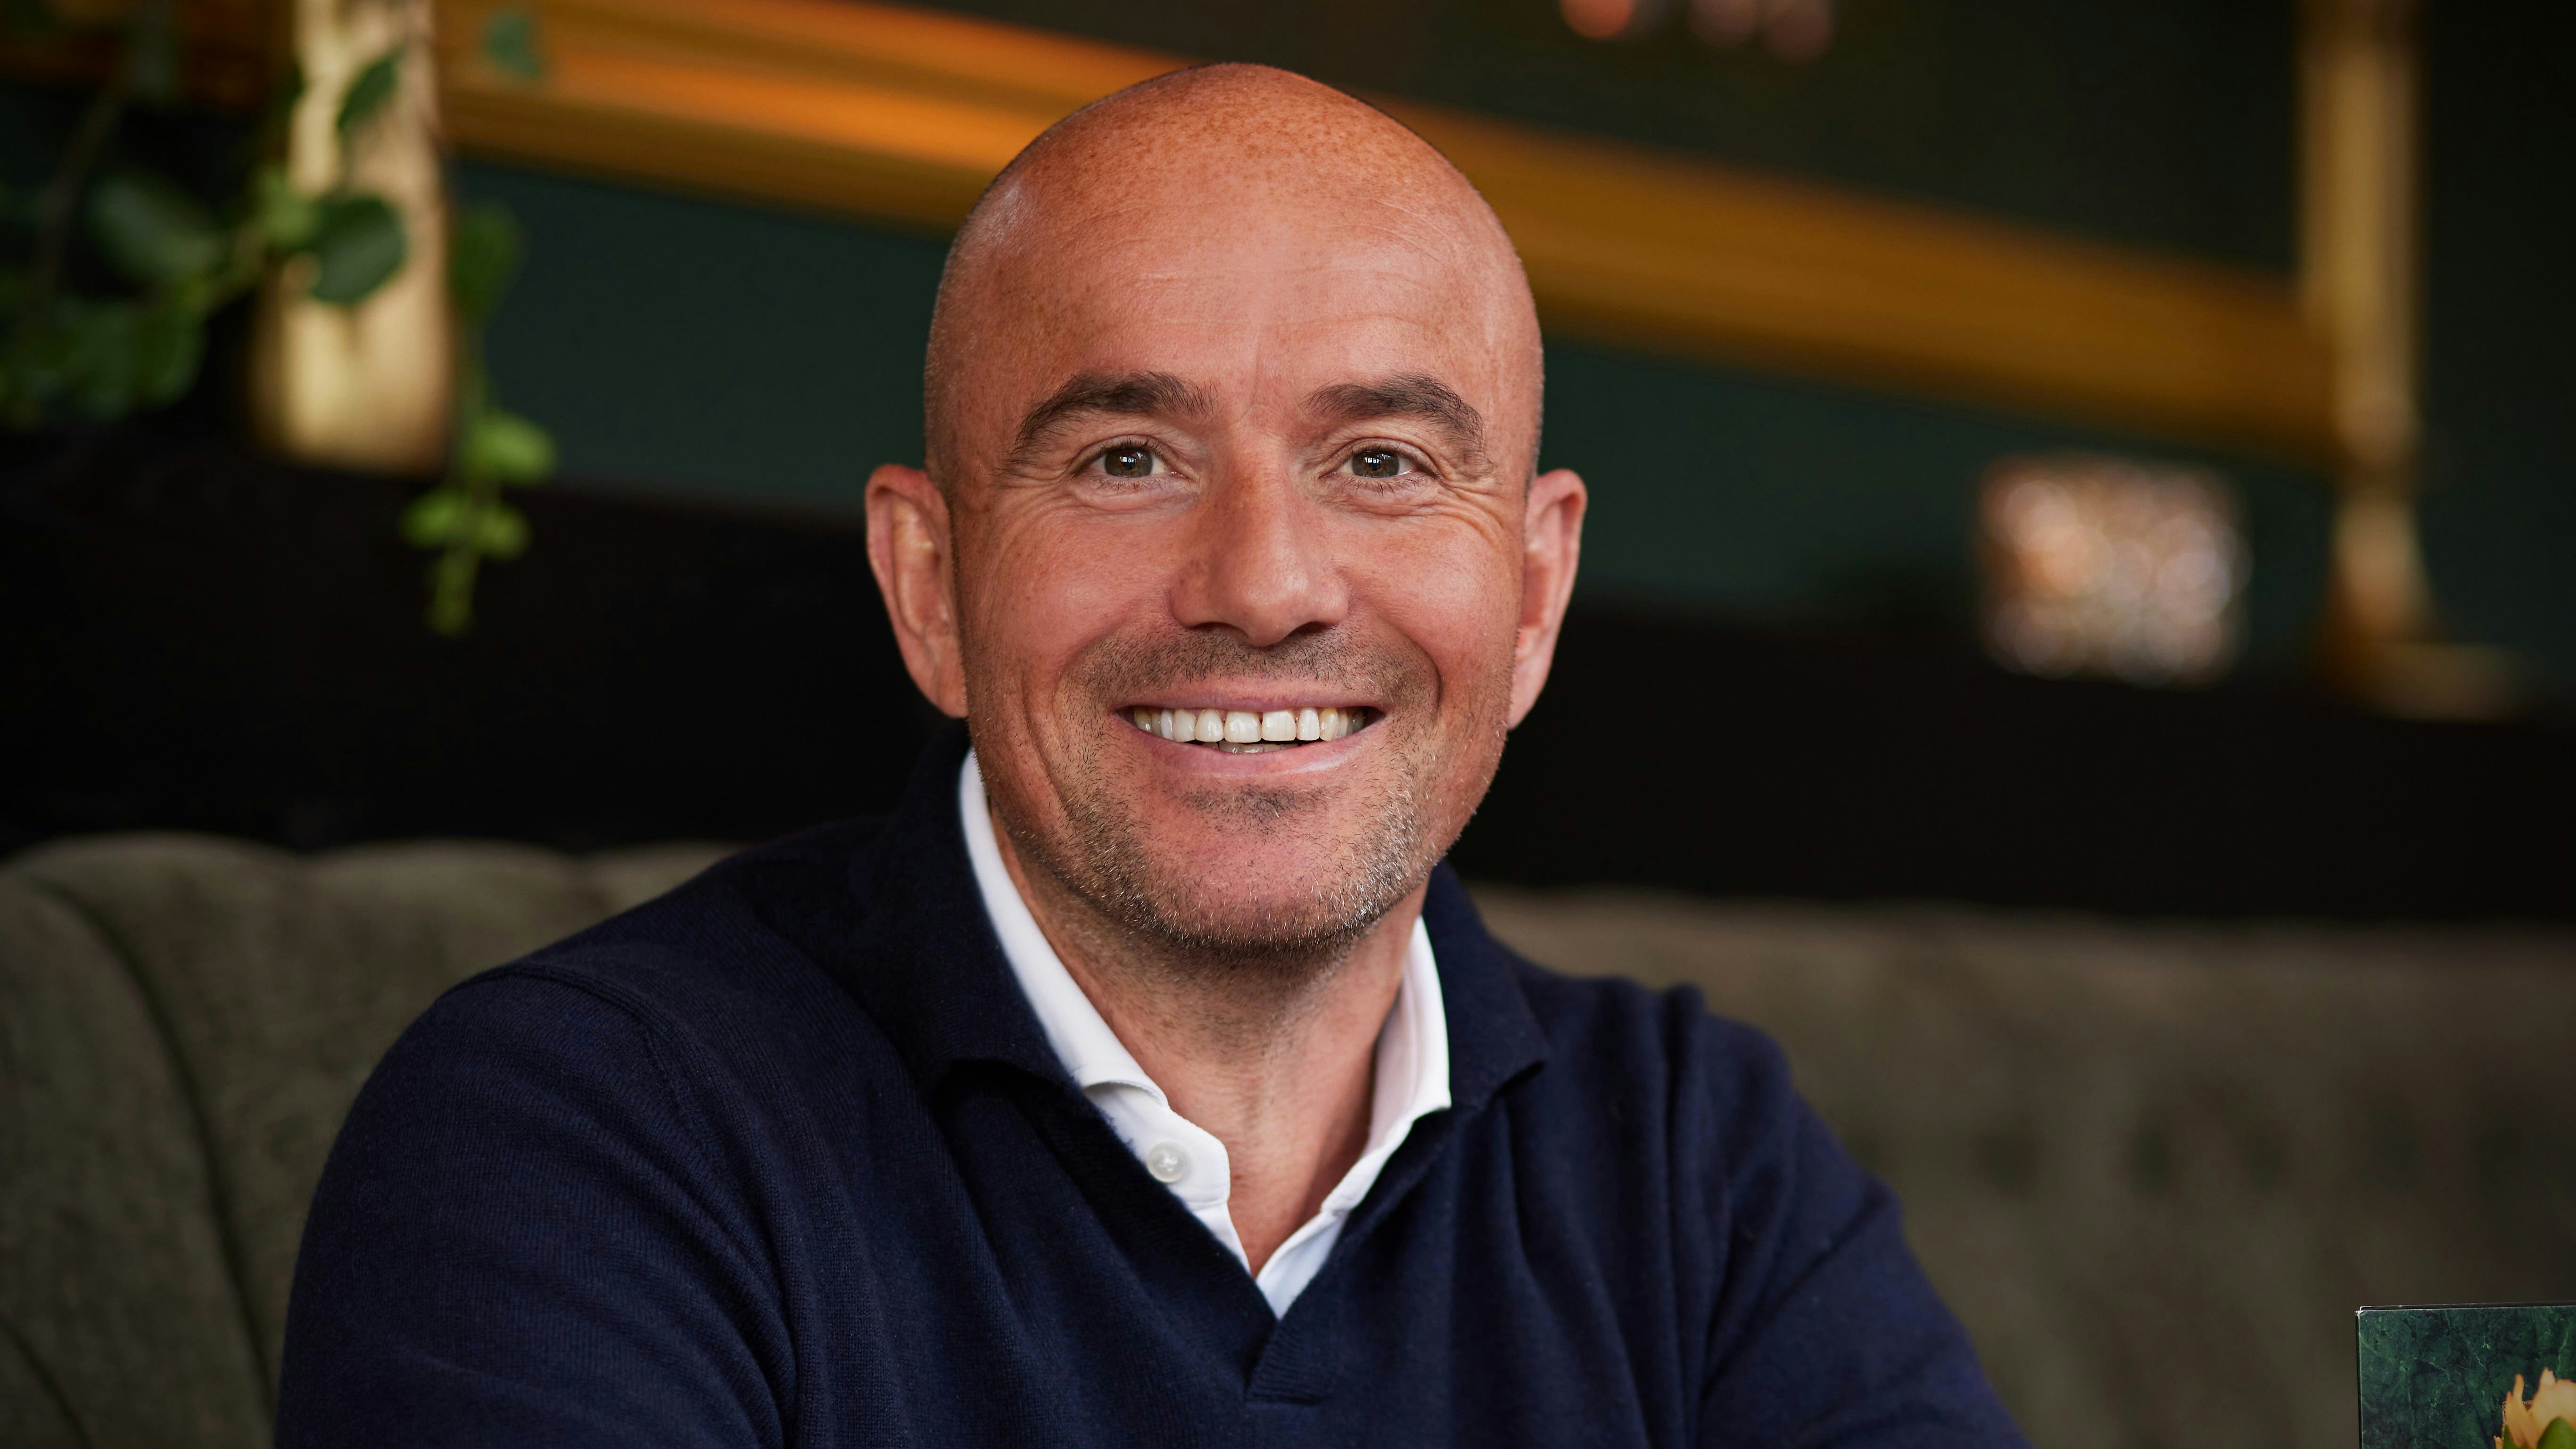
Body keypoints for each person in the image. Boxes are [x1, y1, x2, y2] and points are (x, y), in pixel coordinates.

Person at [277, 63, 2023, 1448]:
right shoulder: (573, 1137)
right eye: (1127, 459)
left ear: (1537, 594)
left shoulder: (1696, 1152)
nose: (1263, 584)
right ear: (931, 584)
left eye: (1385, 463)